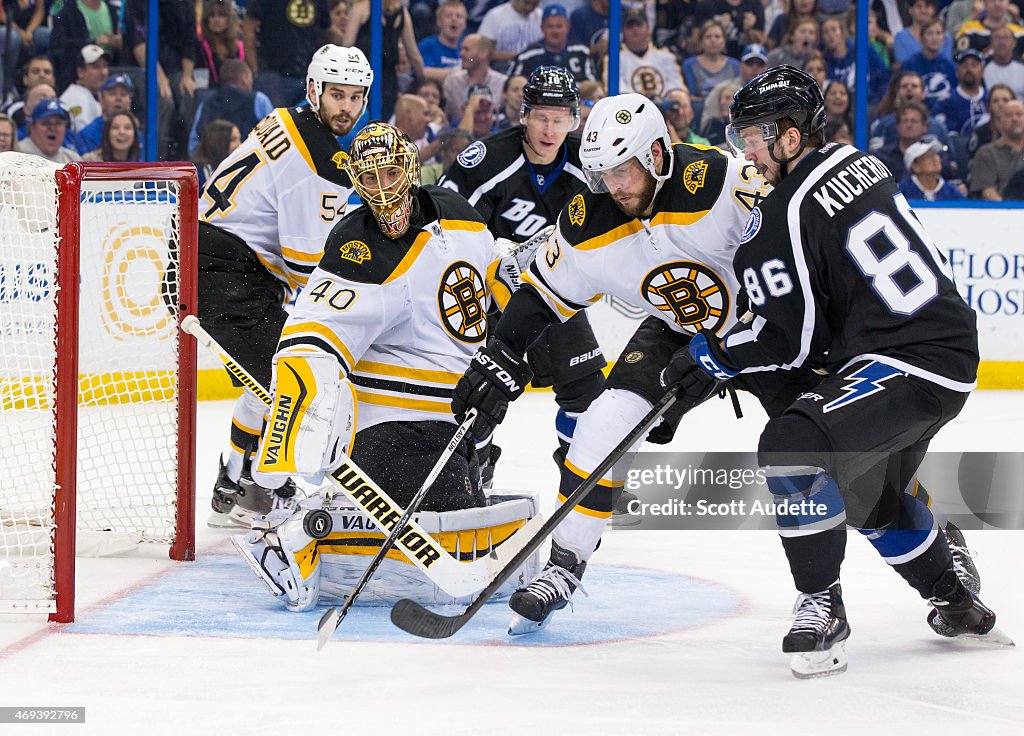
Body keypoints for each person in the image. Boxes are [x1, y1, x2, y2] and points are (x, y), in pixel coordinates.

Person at [660, 65, 1000, 676]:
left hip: (904, 359)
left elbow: (792, 339)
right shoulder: (856, 161)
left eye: (753, 138)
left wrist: (709, 357)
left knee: (793, 444)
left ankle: (822, 601)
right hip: (947, 350)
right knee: (871, 497)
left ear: (791, 137)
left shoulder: (780, 212)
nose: (746, 153)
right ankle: (955, 600)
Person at [448, 91, 771, 634]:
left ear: (657, 157)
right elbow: (544, 292)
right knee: (600, 424)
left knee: (834, 436)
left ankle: (924, 537)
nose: (613, 186)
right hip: (679, 332)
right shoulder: (586, 220)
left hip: (768, 328)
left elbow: (797, 240)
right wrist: (500, 355)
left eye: (623, 170)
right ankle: (565, 564)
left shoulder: (722, 183)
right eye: (601, 174)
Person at [231, 121, 540, 613]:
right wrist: (285, 453)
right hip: (388, 428)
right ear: (355, 180)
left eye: (391, 172)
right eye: (368, 179)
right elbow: (306, 341)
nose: (382, 189)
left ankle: (362, 511)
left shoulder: (461, 216)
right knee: (449, 525)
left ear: (413, 169)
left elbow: (488, 279)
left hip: (455, 424)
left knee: (470, 524)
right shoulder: (359, 250)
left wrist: (510, 276)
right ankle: (293, 533)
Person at [198, 45, 372, 527]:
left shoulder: (287, 119)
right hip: (226, 274)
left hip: (219, 264)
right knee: (294, 381)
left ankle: (237, 485)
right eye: (337, 95)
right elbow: (306, 269)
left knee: (266, 378)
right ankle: (252, 486)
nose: (348, 108)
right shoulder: (322, 161)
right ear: (314, 91)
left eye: (356, 97)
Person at [440, 66, 607, 476]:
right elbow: (441, 225)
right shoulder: (486, 161)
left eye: (560, 119)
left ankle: (584, 475)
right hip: (486, 298)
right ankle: (473, 471)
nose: (550, 129)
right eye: (541, 118)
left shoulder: (590, 168)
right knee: (481, 393)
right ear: (524, 115)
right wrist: (492, 257)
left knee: (587, 390)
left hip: (554, 295)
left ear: (574, 120)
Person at [344, 0, 425, 120]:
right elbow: (413, 54)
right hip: (387, 81)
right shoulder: (401, 12)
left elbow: (347, 45)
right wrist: (423, 77)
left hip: (362, 78)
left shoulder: (360, 8)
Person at [187, 58, 273, 155]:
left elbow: (193, 144)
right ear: (245, 78)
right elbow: (273, 136)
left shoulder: (205, 103)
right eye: (250, 77)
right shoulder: (259, 100)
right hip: (251, 163)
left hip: (215, 166)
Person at [613, 7, 685, 100]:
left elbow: (676, 85)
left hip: (665, 108)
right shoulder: (615, 59)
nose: (635, 29)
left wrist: (678, 97)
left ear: (648, 28)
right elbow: (620, 91)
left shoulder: (666, 56)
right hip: (632, 108)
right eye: (630, 26)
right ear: (623, 31)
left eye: (639, 25)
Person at [510, 3, 595, 82]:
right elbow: (512, 86)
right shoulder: (527, 57)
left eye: (559, 26)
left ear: (568, 27)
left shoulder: (581, 52)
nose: (555, 31)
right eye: (550, 26)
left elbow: (592, 86)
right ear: (542, 28)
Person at [969, 98, 1024, 199]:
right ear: (998, 121)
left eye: (1019, 114)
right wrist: (1009, 211)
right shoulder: (987, 153)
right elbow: (987, 192)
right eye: (1009, 115)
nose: (1014, 119)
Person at [74, 74, 136, 155]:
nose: (118, 98)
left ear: (130, 101)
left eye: (123, 94)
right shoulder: (87, 135)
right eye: (112, 94)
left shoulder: (137, 133)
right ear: (101, 99)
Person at [196, 0, 246, 88]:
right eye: (212, 16)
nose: (216, 20)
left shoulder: (239, 46)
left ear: (229, 19)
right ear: (207, 20)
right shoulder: (200, 45)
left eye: (221, 15)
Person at [898, 138, 966, 200]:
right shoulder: (902, 190)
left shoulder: (951, 191)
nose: (935, 158)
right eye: (928, 156)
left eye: (935, 154)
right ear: (916, 167)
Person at [18, 98, 81, 163]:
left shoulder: (72, 159)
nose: (52, 128)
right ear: (32, 127)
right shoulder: (17, 154)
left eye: (58, 123)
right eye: (45, 123)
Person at [419, 0, 468, 82]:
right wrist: (454, 73)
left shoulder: (467, 48)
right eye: (448, 16)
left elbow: (472, 63)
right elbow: (424, 71)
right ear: (439, 22)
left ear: (465, 24)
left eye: (459, 16)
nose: (454, 19)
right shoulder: (427, 45)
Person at [191, 119, 241, 187]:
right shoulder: (202, 172)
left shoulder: (233, 168)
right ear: (219, 143)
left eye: (239, 139)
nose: (239, 144)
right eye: (233, 140)